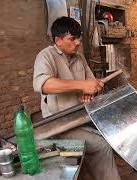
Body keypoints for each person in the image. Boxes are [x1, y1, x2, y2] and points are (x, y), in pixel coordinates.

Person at [33, 16, 121, 180]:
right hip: (58, 124)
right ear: (58, 40)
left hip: (80, 116)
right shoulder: (46, 56)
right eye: (72, 39)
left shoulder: (79, 58)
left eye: (78, 38)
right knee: (101, 145)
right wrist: (81, 85)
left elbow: (91, 83)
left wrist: (90, 92)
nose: (78, 42)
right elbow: (43, 85)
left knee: (114, 130)